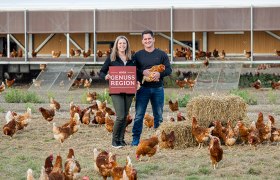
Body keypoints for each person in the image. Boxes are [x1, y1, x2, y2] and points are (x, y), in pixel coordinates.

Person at [131, 30, 172, 146]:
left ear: (154, 39)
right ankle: (135, 139)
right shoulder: (138, 55)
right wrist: (142, 72)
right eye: (145, 39)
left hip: (158, 89)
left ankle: (158, 139)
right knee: (139, 115)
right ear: (142, 41)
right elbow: (133, 70)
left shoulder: (161, 54)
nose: (147, 41)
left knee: (158, 115)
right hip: (143, 89)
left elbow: (169, 69)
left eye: (149, 38)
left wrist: (160, 74)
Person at [99, 36, 135, 148]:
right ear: (116, 45)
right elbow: (102, 72)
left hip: (129, 90)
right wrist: (106, 76)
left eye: (124, 43)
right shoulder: (111, 58)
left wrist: (138, 82)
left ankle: (121, 139)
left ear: (127, 45)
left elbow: (136, 72)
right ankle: (114, 141)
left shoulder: (131, 58)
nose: (122, 45)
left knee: (125, 116)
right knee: (120, 116)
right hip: (116, 90)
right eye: (120, 43)